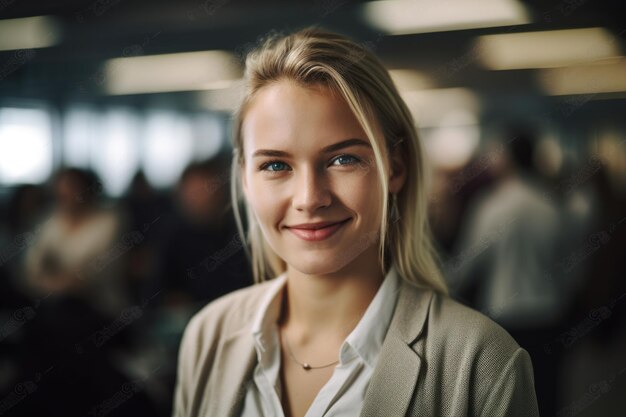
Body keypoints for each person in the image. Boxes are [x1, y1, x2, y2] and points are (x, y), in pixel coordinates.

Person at [172, 26, 540, 417]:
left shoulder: (481, 362)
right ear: (245, 178)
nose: (310, 198)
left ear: (394, 168)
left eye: (343, 159)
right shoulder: (207, 336)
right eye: (276, 165)